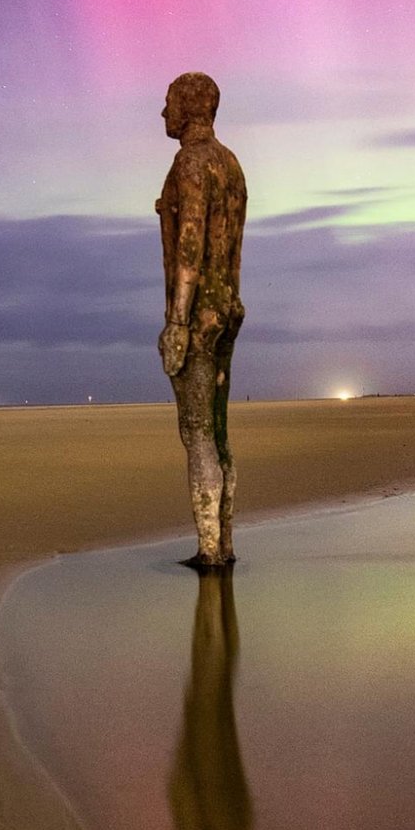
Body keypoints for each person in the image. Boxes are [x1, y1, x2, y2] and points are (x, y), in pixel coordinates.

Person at [156, 73, 247, 567]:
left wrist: (177, 321)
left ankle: (210, 549)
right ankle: (226, 542)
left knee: (197, 432)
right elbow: (230, 247)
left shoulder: (190, 163)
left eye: (168, 103)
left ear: (190, 109)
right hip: (228, 303)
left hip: (199, 312)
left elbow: (191, 243)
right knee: (219, 428)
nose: (162, 113)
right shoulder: (230, 164)